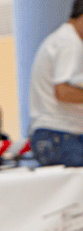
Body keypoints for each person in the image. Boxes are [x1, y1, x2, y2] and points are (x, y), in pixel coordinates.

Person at [29, 0, 83, 167]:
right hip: (60, 134)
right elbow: (63, 91)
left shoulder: (61, 39)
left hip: (51, 135)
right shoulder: (70, 43)